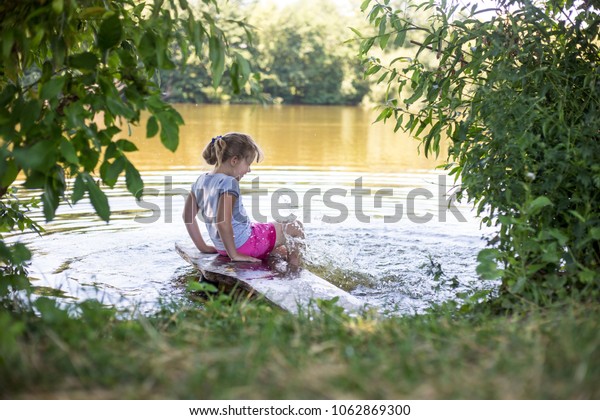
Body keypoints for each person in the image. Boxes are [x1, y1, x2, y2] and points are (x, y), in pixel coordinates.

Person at [183, 132, 305, 266]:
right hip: (244, 245)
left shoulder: (201, 180)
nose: (249, 170)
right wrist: (234, 254)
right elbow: (222, 221)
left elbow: (187, 216)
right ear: (234, 160)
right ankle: (295, 272)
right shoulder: (229, 183)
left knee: (280, 251)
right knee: (295, 226)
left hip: (223, 247)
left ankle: (276, 263)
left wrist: (203, 247)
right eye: (247, 164)